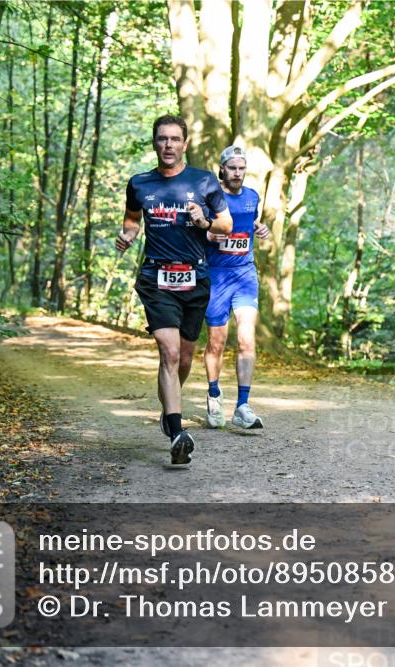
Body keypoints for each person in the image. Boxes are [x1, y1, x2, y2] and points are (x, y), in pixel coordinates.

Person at [115, 114, 233, 465]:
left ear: (185, 144)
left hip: (195, 278)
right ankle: (177, 431)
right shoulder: (139, 183)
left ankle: (170, 407)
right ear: (155, 142)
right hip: (156, 279)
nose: (168, 145)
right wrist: (128, 235)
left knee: (182, 358)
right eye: (162, 139)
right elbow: (132, 219)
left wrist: (204, 221)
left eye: (174, 139)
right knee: (167, 352)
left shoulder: (205, 181)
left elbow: (225, 225)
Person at [203, 145, 271, 429]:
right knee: (217, 342)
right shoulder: (211, 197)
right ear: (222, 169)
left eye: (242, 168)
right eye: (232, 168)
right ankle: (214, 395)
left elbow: (250, 223)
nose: (237, 173)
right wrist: (209, 235)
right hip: (217, 275)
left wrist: (262, 228)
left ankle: (243, 405)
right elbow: (198, 228)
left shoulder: (252, 197)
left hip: (244, 275)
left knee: (246, 339)